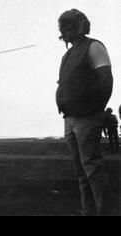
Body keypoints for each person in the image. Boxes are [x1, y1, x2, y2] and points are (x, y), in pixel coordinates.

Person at [55, 9, 114, 216]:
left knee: (92, 169)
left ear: (81, 26)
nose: (64, 30)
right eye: (63, 27)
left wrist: (96, 109)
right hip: (70, 119)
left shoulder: (94, 46)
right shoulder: (69, 54)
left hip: (86, 118)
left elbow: (106, 80)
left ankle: (104, 212)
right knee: (82, 172)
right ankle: (87, 211)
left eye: (68, 26)